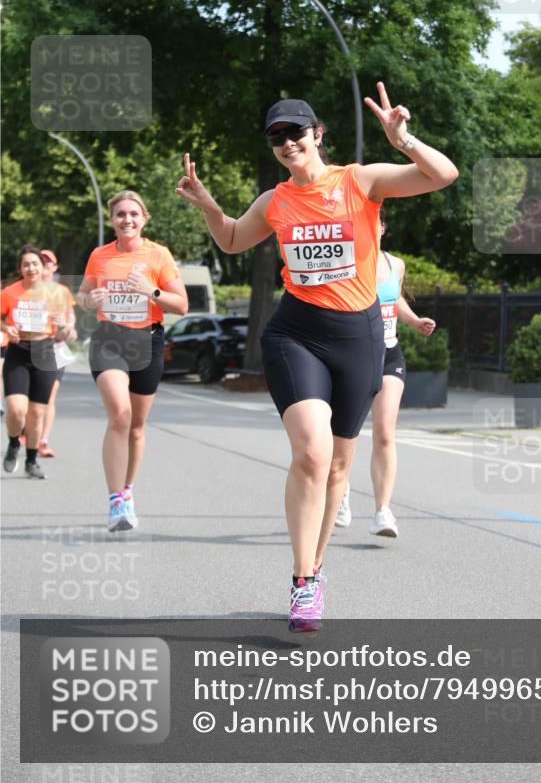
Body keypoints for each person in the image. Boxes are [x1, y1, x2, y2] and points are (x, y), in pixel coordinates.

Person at [176, 82, 458, 632]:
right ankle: (303, 581)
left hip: (359, 339)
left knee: (337, 469)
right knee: (311, 451)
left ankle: (317, 566)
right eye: (275, 136)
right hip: (296, 332)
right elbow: (233, 240)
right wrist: (211, 207)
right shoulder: (275, 201)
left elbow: (442, 175)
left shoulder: (360, 180)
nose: (286, 143)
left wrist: (404, 140)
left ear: (317, 134)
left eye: (295, 132)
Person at [77, 191, 187, 532]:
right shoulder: (100, 255)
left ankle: (127, 491)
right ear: (112, 220)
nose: (127, 219)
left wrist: (150, 291)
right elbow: (82, 297)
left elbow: (181, 305)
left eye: (133, 214)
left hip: (147, 341)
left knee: (137, 426)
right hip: (109, 338)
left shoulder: (158, 255)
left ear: (144, 218)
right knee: (120, 415)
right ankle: (114, 503)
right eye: (120, 214)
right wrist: (88, 300)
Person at [335, 206, 436, 537]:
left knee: (385, 432)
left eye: (373, 224)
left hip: (389, 353)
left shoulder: (396, 264)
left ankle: (382, 511)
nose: (368, 228)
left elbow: (396, 300)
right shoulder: (346, 263)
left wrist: (414, 320)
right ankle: (342, 495)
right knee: (344, 434)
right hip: (353, 355)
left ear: (381, 228)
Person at [2, 246, 73, 479]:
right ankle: (14, 443)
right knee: (16, 409)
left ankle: (31, 462)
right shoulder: (10, 292)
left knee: (36, 414)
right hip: (18, 350)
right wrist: (6, 328)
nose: (31, 268)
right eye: (26, 264)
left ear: (44, 268)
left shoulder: (59, 293)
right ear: (20, 268)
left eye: (35, 264)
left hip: (45, 351)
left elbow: (66, 334)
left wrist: (61, 325)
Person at [37, 249, 78, 458]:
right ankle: (28, 431)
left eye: (48, 262)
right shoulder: (24, 290)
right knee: (30, 399)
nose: (44, 265)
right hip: (30, 347)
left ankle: (43, 440)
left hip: (54, 349)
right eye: (40, 261)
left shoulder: (62, 292)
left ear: (54, 267)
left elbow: (71, 331)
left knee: (49, 397)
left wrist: (65, 326)